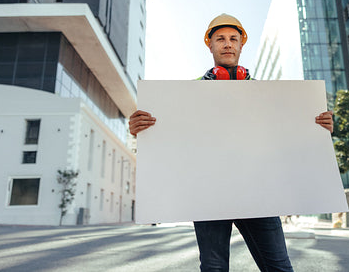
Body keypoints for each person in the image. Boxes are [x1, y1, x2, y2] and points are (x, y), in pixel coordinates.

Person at [129, 14, 334, 272]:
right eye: (221, 39)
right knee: (213, 268)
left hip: (260, 193)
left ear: (241, 45)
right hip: (209, 194)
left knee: (279, 268)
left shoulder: (269, 95)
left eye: (233, 39)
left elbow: (290, 139)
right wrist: (141, 130)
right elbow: (170, 142)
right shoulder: (184, 95)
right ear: (210, 45)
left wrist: (318, 127)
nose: (228, 44)